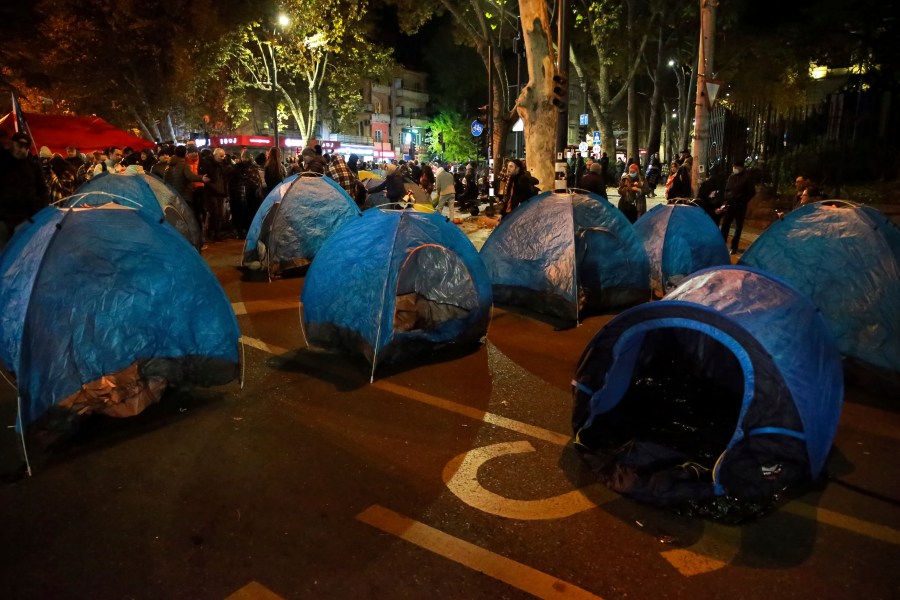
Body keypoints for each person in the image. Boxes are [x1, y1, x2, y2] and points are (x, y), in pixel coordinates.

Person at [0, 131, 49, 247]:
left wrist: (40, 213)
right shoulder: (2, 161)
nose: (22, 150)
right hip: (3, 218)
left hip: (25, 219)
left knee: (20, 253)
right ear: (12, 144)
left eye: (25, 147)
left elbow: (42, 190)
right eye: (19, 146)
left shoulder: (33, 165)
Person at [719, 162, 756, 255]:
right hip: (730, 204)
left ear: (741, 167)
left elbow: (752, 192)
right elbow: (726, 189)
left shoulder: (747, 177)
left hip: (740, 206)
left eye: (736, 167)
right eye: (733, 167)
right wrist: (726, 199)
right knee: (725, 225)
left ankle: (734, 247)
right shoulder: (732, 177)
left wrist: (743, 200)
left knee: (738, 228)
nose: (734, 168)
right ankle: (722, 245)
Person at [227, 150, 263, 238]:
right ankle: (242, 231)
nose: (245, 159)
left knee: (247, 213)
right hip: (241, 196)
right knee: (241, 213)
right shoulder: (238, 168)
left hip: (249, 196)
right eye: (244, 157)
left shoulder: (251, 168)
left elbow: (256, 182)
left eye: (246, 157)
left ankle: (244, 231)